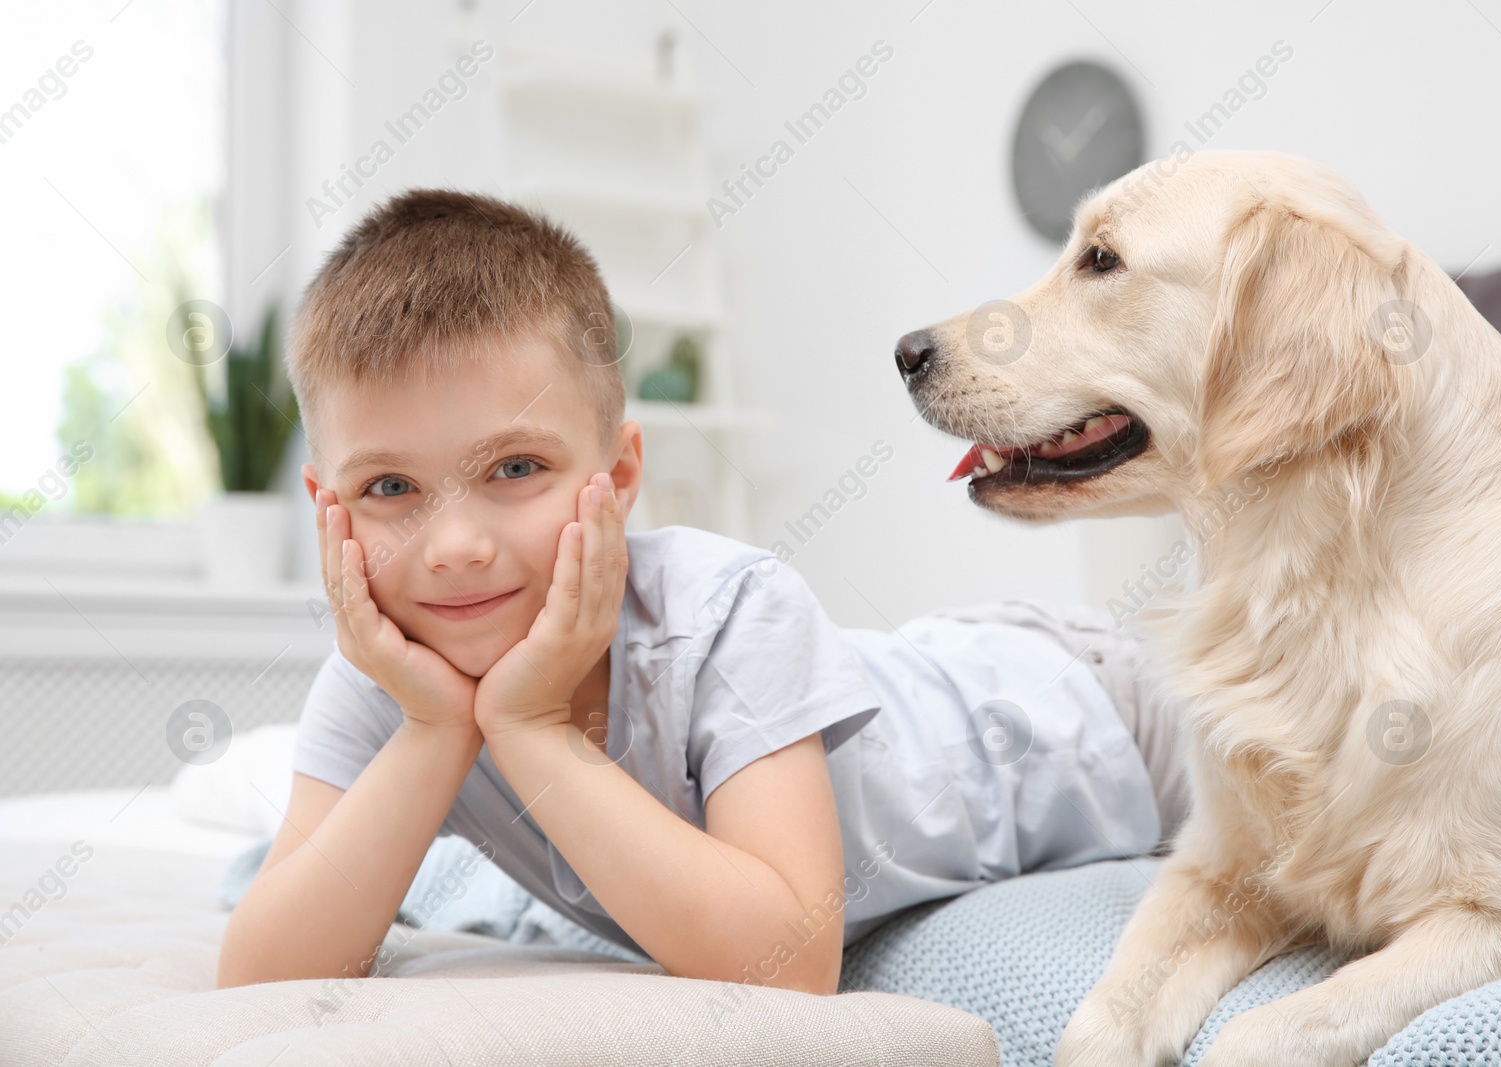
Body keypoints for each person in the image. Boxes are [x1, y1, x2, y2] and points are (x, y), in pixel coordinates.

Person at [215, 189, 1190, 996]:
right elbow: (264, 971)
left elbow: (788, 958)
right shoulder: (384, 682)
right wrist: (435, 730)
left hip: (1088, 708)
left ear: (622, 471)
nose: (457, 546)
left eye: (515, 468)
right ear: (326, 507)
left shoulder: (728, 611)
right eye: (390, 488)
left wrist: (531, 729)